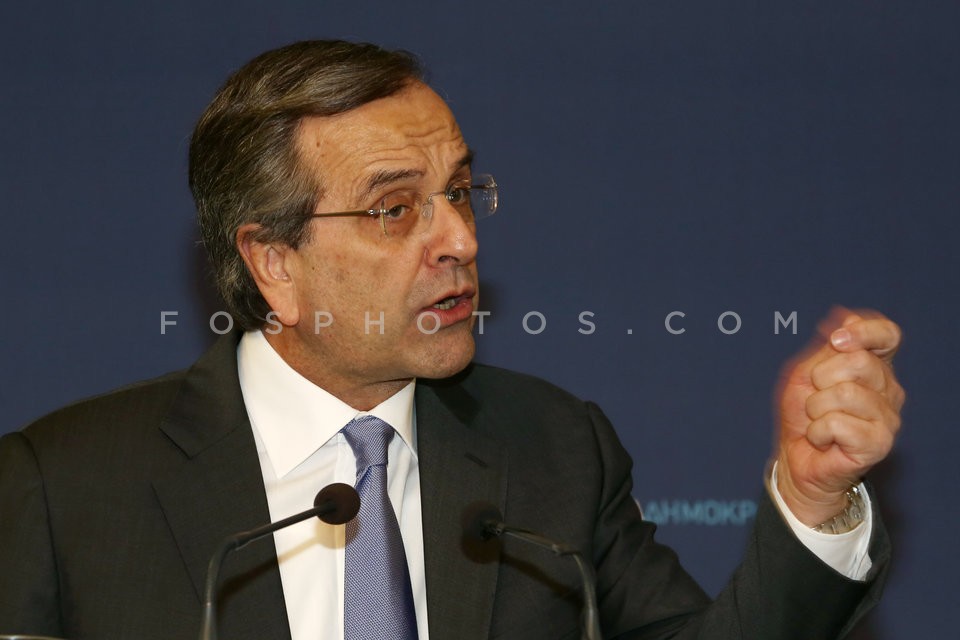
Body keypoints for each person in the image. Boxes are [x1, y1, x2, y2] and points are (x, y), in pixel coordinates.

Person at [0, 40, 904, 640]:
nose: (460, 240)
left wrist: (813, 501)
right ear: (274, 262)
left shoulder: (554, 452)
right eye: (396, 209)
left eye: (461, 194)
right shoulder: (63, 486)